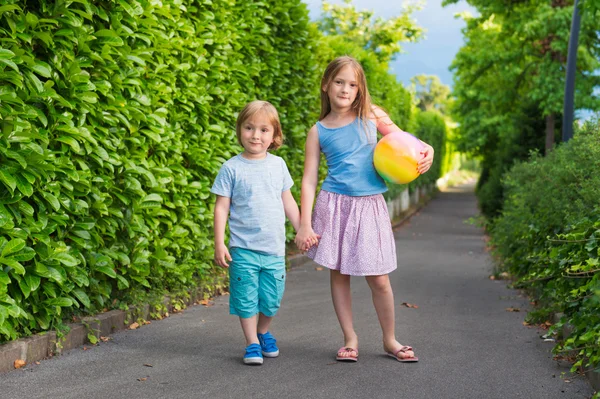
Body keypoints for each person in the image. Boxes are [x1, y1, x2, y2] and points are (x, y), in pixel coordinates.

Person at [294, 56, 434, 363]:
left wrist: (430, 151)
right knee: (339, 273)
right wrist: (304, 224)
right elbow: (308, 179)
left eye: (352, 84)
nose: (345, 89)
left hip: (370, 206)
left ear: (360, 89)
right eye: (339, 82)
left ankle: (389, 339)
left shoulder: (372, 116)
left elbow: (408, 142)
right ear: (326, 85)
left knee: (378, 277)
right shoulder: (318, 130)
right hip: (334, 205)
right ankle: (350, 338)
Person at [211, 100, 317, 365]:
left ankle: (263, 330)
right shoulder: (231, 168)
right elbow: (221, 208)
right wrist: (219, 243)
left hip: (272, 249)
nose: (255, 135)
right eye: (249, 128)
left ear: (274, 135)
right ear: (240, 130)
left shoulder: (278, 165)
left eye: (263, 130)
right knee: (246, 299)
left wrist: (302, 227)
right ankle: (252, 344)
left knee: (271, 300)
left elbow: (288, 201)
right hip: (242, 248)